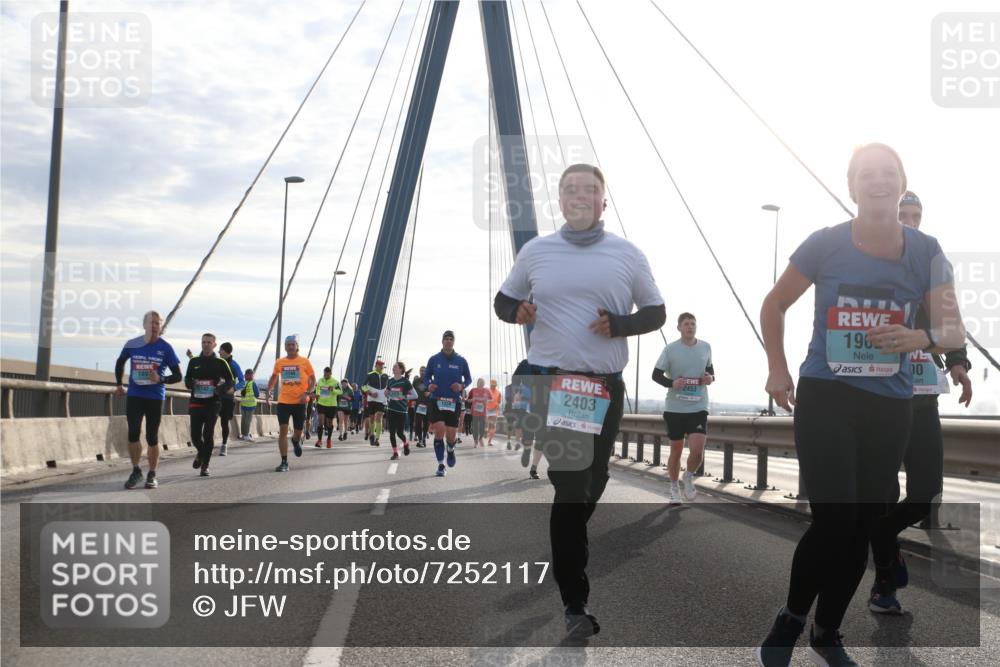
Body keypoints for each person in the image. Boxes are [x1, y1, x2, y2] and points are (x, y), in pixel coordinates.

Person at [755, 144, 966, 667]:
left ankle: (828, 630)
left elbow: (950, 329)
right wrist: (777, 368)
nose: (878, 181)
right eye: (867, 174)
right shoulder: (825, 244)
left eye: (888, 173)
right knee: (834, 519)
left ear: (901, 183)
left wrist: (918, 337)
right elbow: (775, 303)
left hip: (889, 406)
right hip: (826, 395)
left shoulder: (927, 250)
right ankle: (793, 616)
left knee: (863, 522)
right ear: (852, 187)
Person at [494, 163, 665, 638]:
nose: (579, 195)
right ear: (561, 200)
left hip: (604, 387)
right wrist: (518, 310)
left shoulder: (627, 255)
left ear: (603, 201)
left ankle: (566, 540)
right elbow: (503, 301)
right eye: (570, 188)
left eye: (589, 189)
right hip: (553, 386)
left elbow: (656, 312)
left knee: (594, 482)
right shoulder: (537, 251)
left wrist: (620, 324)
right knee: (570, 490)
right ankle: (575, 602)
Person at [868, 191, 974, 616]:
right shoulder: (869, 266)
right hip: (880, 398)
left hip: (923, 395)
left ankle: (885, 542)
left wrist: (960, 363)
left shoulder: (931, 265)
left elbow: (949, 323)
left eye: (916, 215)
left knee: (926, 491)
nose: (910, 222)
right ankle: (883, 586)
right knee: (884, 495)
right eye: (902, 215)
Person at [115, 310, 183, 490]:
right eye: (151, 323)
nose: (154, 326)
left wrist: (161, 379)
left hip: (155, 396)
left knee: (152, 437)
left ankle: (152, 473)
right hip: (135, 394)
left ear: (160, 327)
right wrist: (119, 384)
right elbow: (120, 362)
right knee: (133, 432)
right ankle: (136, 470)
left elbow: (178, 375)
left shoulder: (166, 348)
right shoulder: (133, 344)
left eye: (157, 324)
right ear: (144, 325)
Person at [652, 312, 714, 504]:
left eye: (693, 324)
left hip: (698, 406)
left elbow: (710, 371)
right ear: (679, 327)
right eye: (686, 324)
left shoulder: (705, 347)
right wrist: (672, 383)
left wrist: (709, 378)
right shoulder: (670, 349)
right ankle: (673, 487)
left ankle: (688, 475)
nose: (690, 327)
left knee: (697, 452)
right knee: (676, 451)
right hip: (675, 408)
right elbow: (656, 375)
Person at [423, 331, 473, 477]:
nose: (449, 341)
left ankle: (450, 450)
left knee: (451, 436)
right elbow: (426, 377)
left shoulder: (461, 360)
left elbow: (469, 378)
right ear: (442, 341)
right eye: (446, 339)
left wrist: (461, 386)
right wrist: (429, 385)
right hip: (436, 399)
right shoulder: (434, 359)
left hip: (453, 401)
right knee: (439, 430)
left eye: (451, 339)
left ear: (454, 342)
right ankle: (441, 464)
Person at [184, 333, 235, 477]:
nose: (205, 344)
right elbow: (187, 379)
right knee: (195, 436)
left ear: (214, 345)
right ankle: (201, 452)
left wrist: (222, 389)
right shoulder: (194, 361)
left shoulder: (220, 363)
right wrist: (191, 383)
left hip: (213, 403)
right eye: (203, 342)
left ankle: (205, 465)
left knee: (208, 434)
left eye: (208, 342)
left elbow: (230, 381)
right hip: (196, 402)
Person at [267, 334, 316, 472]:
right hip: (283, 401)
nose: (290, 347)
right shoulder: (280, 362)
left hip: (300, 402)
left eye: (292, 344)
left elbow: (313, 380)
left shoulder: (305, 362)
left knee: (298, 431)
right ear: (285, 346)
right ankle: (284, 462)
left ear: (297, 346)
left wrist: (307, 393)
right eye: (288, 344)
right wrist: (269, 390)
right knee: (282, 431)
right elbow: (274, 376)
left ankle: (295, 441)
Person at [217, 342, 245, 456]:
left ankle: (224, 445)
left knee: (224, 423)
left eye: (220, 350)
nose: (219, 352)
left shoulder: (234, 365)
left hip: (227, 399)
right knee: (210, 420)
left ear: (225, 351)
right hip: (215, 397)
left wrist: (234, 389)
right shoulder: (217, 363)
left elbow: (242, 381)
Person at [509, 382, 541, 479]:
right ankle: (527, 450)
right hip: (528, 414)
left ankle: (533, 468)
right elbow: (515, 401)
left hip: (544, 413)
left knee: (541, 440)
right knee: (528, 439)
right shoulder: (524, 385)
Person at [385, 361, 414, 460]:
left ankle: (406, 444)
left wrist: (404, 396)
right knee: (392, 432)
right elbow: (388, 392)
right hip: (391, 409)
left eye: (395, 367)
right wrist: (386, 393)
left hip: (401, 411)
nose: (393, 368)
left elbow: (415, 395)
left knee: (399, 433)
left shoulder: (405, 382)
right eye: (393, 367)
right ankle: (395, 453)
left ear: (401, 370)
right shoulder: (390, 381)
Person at [314, 367, 342, 449]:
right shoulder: (320, 380)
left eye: (327, 374)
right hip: (321, 403)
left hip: (331, 405)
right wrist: (317, 394)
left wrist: (333, 390)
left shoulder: (335, 382)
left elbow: (340, 391)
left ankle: (329, 440)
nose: (325, 376)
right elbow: (317, 389)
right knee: (320, 422)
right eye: (324, 374)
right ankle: (319, 440)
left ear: (330, 374)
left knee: (329, 423)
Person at [364, 360, 389, 446]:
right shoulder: (370, 374)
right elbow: (363, 386)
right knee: (372, 418)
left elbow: (389, 387)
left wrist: (388, 392)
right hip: (372, 400)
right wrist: (370, 393)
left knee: (379, 417)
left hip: (382, 400)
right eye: (380, 365)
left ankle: (377, 438)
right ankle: (372, 435)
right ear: (376, 366)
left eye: (382, 365)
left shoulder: (386, 376)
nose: (381, 367)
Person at [468, 378, 492, 447]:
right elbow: (468, 400)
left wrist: (487, 400)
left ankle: (480, 438)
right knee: (474, 428)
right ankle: (475, 441)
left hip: (483, 412)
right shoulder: (473, 390)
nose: (481, 383)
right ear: (477, 383)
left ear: (484, 383)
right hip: (475, 412)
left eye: (482, 382)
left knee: (482, 428)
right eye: (480, 382)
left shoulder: (487, 390)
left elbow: (491, 399)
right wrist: (472, 399)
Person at [238, 368, 260, 441]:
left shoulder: (243, 383)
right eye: (252, 374)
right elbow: (257, 394)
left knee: (243, 420)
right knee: (247, 420)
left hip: (243, 404)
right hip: (251, 404)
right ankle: (246, 435)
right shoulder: (253, 383)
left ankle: (243, 435)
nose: (253, 376)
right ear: (250, 375)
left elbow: (242, 393)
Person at [412, 366, 431, 447]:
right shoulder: (416, 381)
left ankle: (423, 438)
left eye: (424, 371)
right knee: (418, 423)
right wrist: (413, 400)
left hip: (428, 404)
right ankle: (420, 440)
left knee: (426, 422)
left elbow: (436, 391)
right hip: (418, 404)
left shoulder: (430, 381)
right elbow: (411, 391)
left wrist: (430, 393)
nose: (422, 372)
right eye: (421, 370)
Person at [484, 378, 502, 447]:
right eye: (492, 385)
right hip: (487, 410)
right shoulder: (487, 391)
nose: (493, 386)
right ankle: (486, 432)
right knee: (487, 425)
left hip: (494, 410)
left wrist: (496, 405)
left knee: (493, 426)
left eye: (494, 385)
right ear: (490, 385)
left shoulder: (498, 393)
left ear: (496, 385)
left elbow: (499, 402)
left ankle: (489, 441)